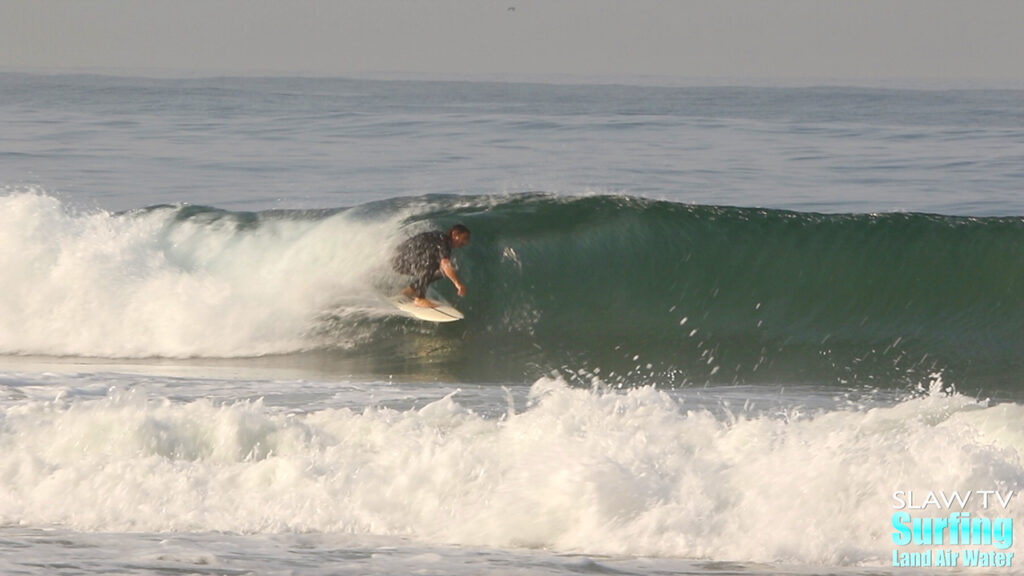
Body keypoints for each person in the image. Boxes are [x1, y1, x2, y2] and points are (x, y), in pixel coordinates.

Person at [392, 224, 470, 308]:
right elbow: (445, 263)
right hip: (400, 260)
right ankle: (419, 298)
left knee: (441, 270)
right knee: (432, 262)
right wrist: (458, 284)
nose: (465, 243)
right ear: (454, 234)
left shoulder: (439, 239)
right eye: (464, 238)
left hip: (401, 260)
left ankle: (409, 292)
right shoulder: (443, 241)